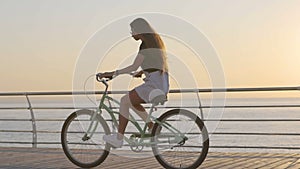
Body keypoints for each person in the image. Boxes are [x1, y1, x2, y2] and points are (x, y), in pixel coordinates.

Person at [97, 18, 169, 148]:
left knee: (125, 100)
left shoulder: (145, 45)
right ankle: (152, 126)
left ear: (139, 30)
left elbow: (133, 66)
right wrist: (142, 72)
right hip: (161, 83)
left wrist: (112, 73)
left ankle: (119, 139)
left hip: (153, 85)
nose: (131, 33)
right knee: (132, 101)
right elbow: (155, 64)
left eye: (132, 30)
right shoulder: (155, 42)